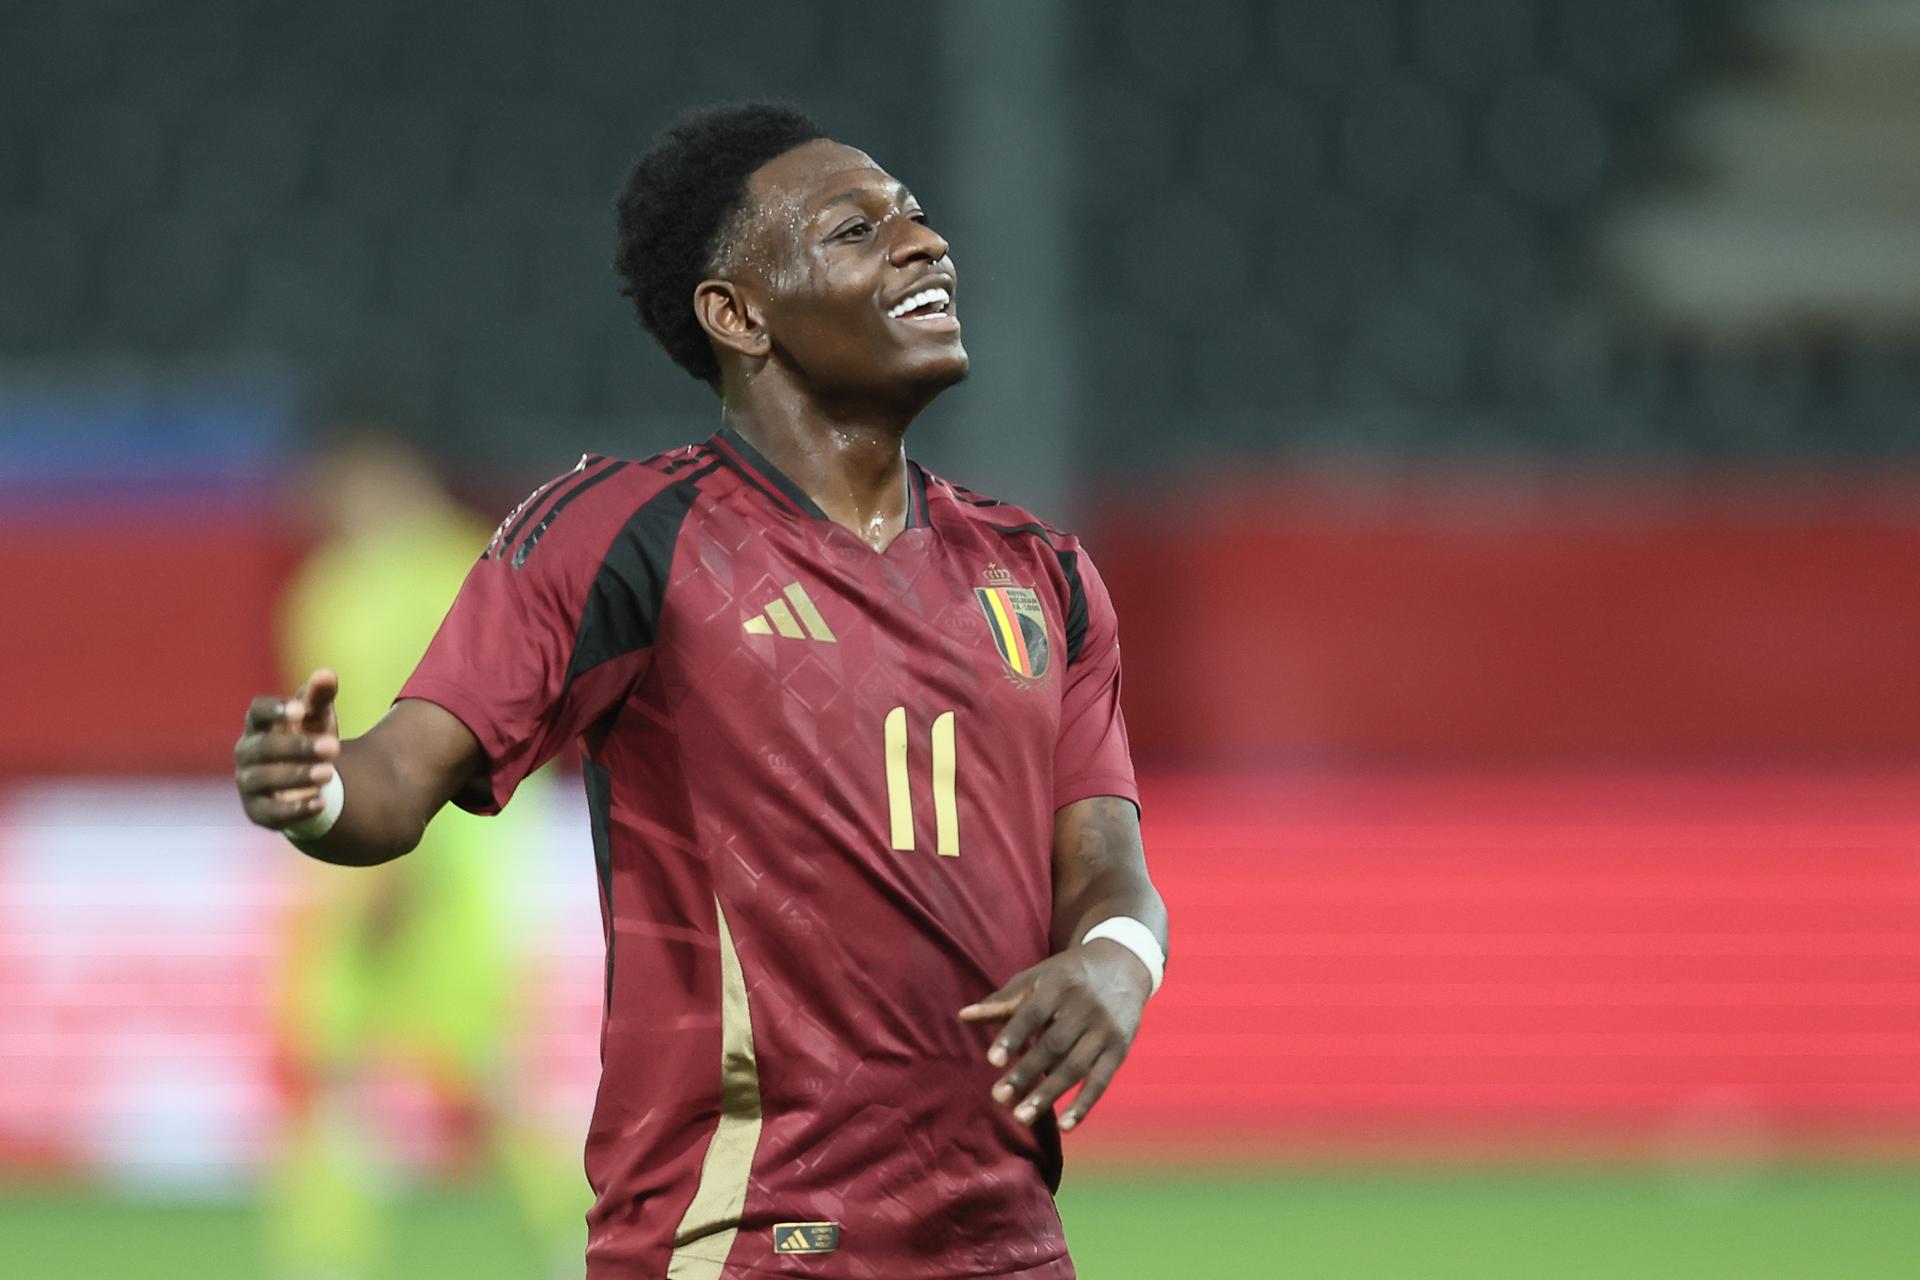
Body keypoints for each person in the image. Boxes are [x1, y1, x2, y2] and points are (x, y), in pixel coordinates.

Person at [234, 101, 1168, 1279]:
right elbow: (394, 779)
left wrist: (1121, 953)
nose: (924, 244)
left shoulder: (1044, 573)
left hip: (1009, 1247)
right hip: (743, 1242)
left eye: (920, 221)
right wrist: (316, 790)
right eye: (855, 229)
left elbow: (1104, 863)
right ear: (738, 314)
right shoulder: (620, 537)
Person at [266, 426, 582, 1279]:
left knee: (476, 1078)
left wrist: (397, 864)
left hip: (441, 863)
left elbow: (440, 734)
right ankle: (326, 1256)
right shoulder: (334, 583)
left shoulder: (453, 576)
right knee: (339, 1066)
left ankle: (579, 1244)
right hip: (373, 859)